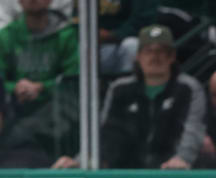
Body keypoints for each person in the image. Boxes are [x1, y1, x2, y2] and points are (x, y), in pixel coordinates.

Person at [53, 24, 206, 169]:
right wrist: (81, 161)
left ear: (172, 56)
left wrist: (183, 159)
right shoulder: (120, 88)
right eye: (149, 51)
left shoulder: (189, 88)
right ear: (138, 56)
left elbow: (192, 130)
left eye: (162, 51)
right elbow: (106, 131)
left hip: (170, 173)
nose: (155, 57)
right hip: (125, 175)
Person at [0, 0, 78, 165]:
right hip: (13, 110)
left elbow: (74, 81)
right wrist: (15, 87)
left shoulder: (66, 34)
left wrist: (43, 87)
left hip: (56, 112)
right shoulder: (6, 35)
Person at [99, 0, 158, 75]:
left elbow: (142, 21)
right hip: (95, 47)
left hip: (123, 43)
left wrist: (113, 34)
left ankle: (127, 84)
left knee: (132, 45)